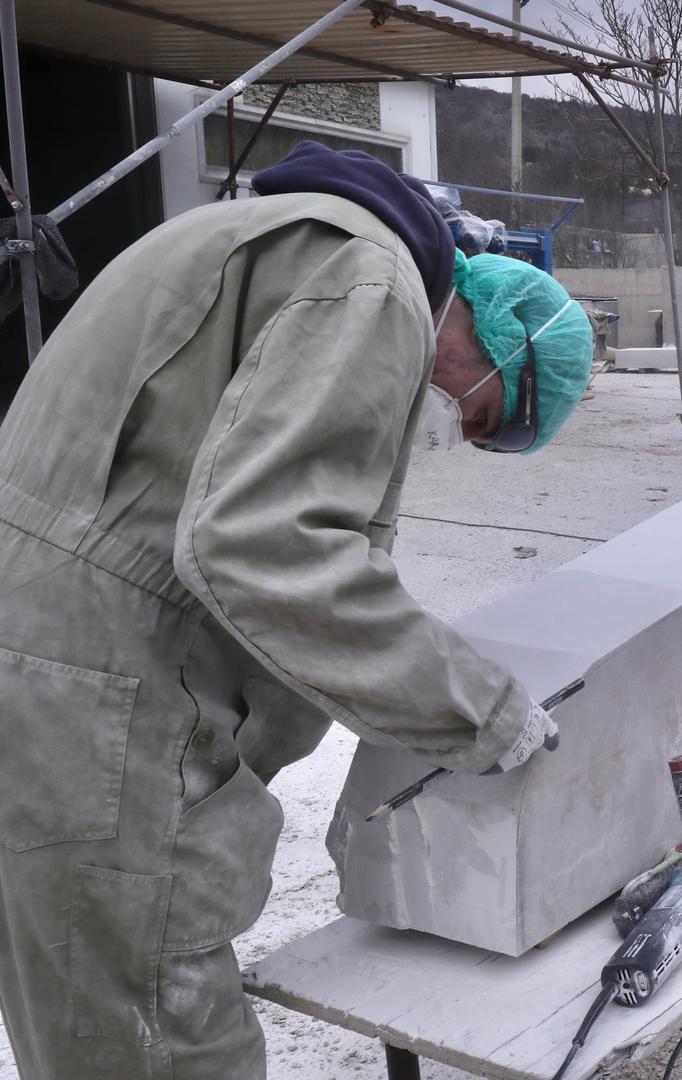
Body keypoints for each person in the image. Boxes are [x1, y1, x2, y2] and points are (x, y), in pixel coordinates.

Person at [0, 141, 593, 1079]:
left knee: (84, 1019)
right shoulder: (374, 283)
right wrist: (478, 708)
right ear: (501, 331)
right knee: (161, 1036)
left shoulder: (267, 232)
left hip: (41, 675)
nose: (449, 408)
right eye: (481, 410)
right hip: (109, 711)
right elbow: (265, 546)